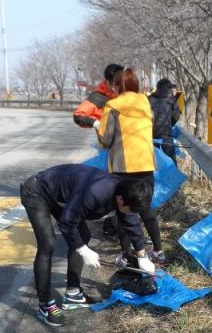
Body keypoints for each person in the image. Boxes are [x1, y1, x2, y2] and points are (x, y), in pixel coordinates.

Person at [20, 164, 155, 326]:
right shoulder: (96, 193)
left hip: (59, 196)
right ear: (120, 199)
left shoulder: (125, 194)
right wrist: (83, 250)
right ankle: (45, 305)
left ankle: (73, 293)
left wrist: (142, 256)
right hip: (37, 191)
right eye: (130, 209)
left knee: (83, 236)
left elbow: (132, 223)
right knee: (47, 244)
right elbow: (67, 223)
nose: (130, 212)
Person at [97, 68, 167, 266]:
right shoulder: (145, 103)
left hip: (122, 166)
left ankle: (127, 255)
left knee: (124, 211)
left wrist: (96, 126)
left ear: (117, 86)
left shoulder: (112, 106)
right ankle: (158, 251)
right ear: (136, 85)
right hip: (145, 163)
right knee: (146, 208)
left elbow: (105, 140)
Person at [72, 63, 123, 129]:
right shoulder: (97, 98)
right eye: (112, 84)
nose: (114, 88)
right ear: (106, 81)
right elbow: (78, 116)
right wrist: (96, 124)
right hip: (109, 134)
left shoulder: (122, 94)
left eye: (117, 84)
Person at [148, 77, 180, 163]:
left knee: (153, 162)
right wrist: (169, 124)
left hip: (150, 135)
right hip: (166, 135)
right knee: (171, 162)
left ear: (158, 87)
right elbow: (176, 116)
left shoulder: (149, 99)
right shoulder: (171, 99)